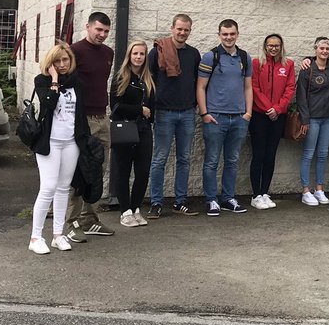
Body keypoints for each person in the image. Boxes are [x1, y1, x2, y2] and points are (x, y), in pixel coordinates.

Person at [28, 43, 91, 254]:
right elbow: (48, 104)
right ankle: (36, 237)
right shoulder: (42, 81)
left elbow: (80, 115)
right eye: (58, 61)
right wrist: (54, 80)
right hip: (50, 142)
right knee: (48, 187)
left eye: (66, 60)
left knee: (64, 187)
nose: (62, 64)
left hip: (71, 142)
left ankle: (57, 234)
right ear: (51, 63)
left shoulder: (77, 83)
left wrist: (85, 141)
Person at [64, 12, 114, 242]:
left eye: (106, 31)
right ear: (88, 27)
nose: (102, 35)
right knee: (78, 172)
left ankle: (89, 219)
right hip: (81, 119)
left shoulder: (107, 53)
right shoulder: (74, 51)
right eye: (98, 30)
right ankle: (69, 223)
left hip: (102, 117)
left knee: (97, 171)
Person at [197, 19, 254, 216]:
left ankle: (228, 198)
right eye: (224, 34)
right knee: (212, 160)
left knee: (232, 160)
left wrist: (248, 113)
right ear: (219, 35)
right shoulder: (210, 56)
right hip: (215, 118)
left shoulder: (245, 57)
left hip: (239, 118)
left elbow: (248, 87)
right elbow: (201, 87)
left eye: (232, 34)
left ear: (237, 34)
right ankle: (211, 200)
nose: (228, 37)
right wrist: (205, 113)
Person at [147, 14, 202, 218]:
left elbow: (198, 81)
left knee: (184, 159)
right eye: (179, 29)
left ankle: (180, 201)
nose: (182, 33)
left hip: (187, 112)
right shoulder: (157, 51)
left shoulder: (194, 54)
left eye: (186, 29)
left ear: (190, 30)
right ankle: (156, 202)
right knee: (160, 159)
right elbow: (149, 80)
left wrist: (196, 105)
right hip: (164, 112)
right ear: (172, 29)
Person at [109, 39, 156, 228]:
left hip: (144, 130)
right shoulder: (120, 78)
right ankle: (125, 211)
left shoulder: (148, 79)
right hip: (125, 130)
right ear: (129, 56)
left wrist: (147, 114)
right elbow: (116, 107)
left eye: (142, 54)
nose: (138, 57)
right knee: (123, 170)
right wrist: (139, 109)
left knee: (143, 171)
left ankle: (136, 208)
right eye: (135, 53)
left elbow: (151, 106)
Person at [249, 34, 295, 210]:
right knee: (258, 154)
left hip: (278, 116)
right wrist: (269, 108)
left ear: (281, 46)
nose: (273, 48)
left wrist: (278, 108)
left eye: (276, 45)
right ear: (265, 46)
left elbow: (290, 88)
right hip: (260, 115)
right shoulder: (257, 64)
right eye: (270, 45)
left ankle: (265, 192)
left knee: (270, 155)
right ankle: (255, 195)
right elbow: (254, 87)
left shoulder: (288, 64)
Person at [296, 37, 329, 206]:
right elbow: (301, 96)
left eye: (327, 48)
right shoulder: (307, 69)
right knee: (308, 154)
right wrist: (305, 119)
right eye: (322, 48)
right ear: (316, 50)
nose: (325, 51)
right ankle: (306, 190)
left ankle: (319, 189)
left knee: (322, 154)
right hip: (312, 119)